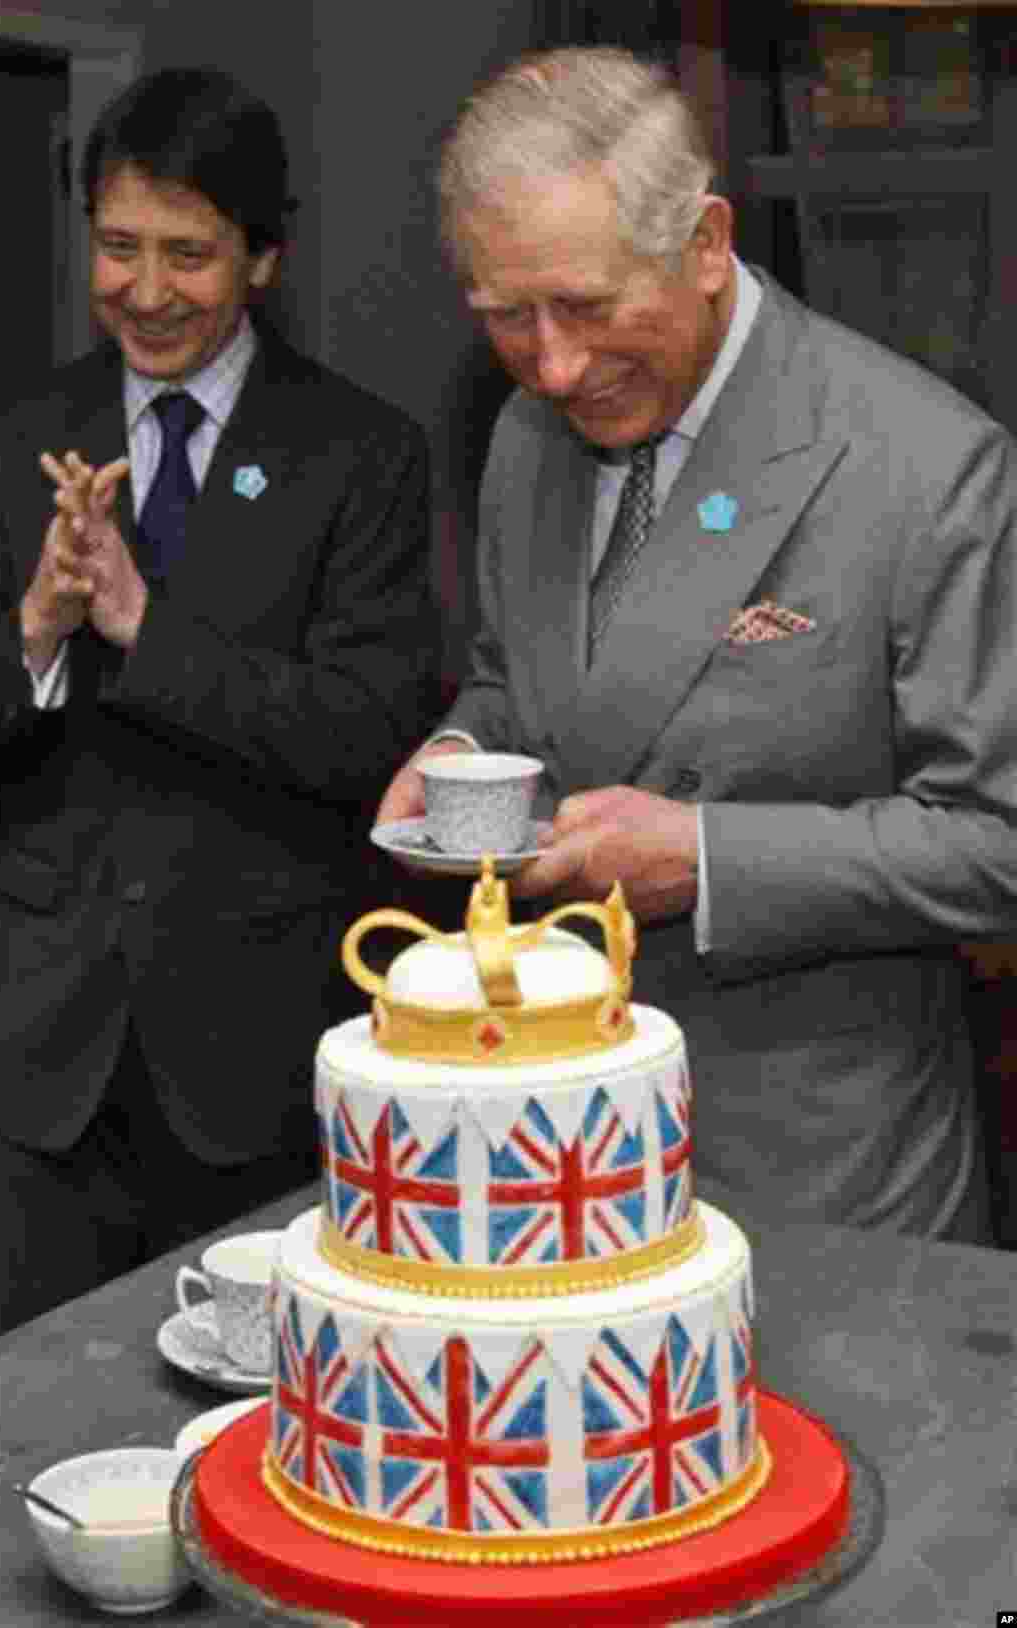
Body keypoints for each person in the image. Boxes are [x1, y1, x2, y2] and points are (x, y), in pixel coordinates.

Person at [377, 45, 1017, 1244]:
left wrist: (706, 860)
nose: (556, 366)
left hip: (830, 1181)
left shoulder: (925, 466)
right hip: (563, 1136)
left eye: (586, 306)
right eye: (508, 318)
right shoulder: (527, 434)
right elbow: (519, 678)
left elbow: (999, 840)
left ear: (708, 242)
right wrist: (460, 754)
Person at [0, 67, 441, 1334]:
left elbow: (366, 731)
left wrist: (140, 624)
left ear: (262, 260)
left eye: (186, 255)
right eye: (118, 248)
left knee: (252, 1409)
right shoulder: (18, 435)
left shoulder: (361, 453)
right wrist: (38, 627)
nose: (144, 291)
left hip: (254, 1050)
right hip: (40, 1057)